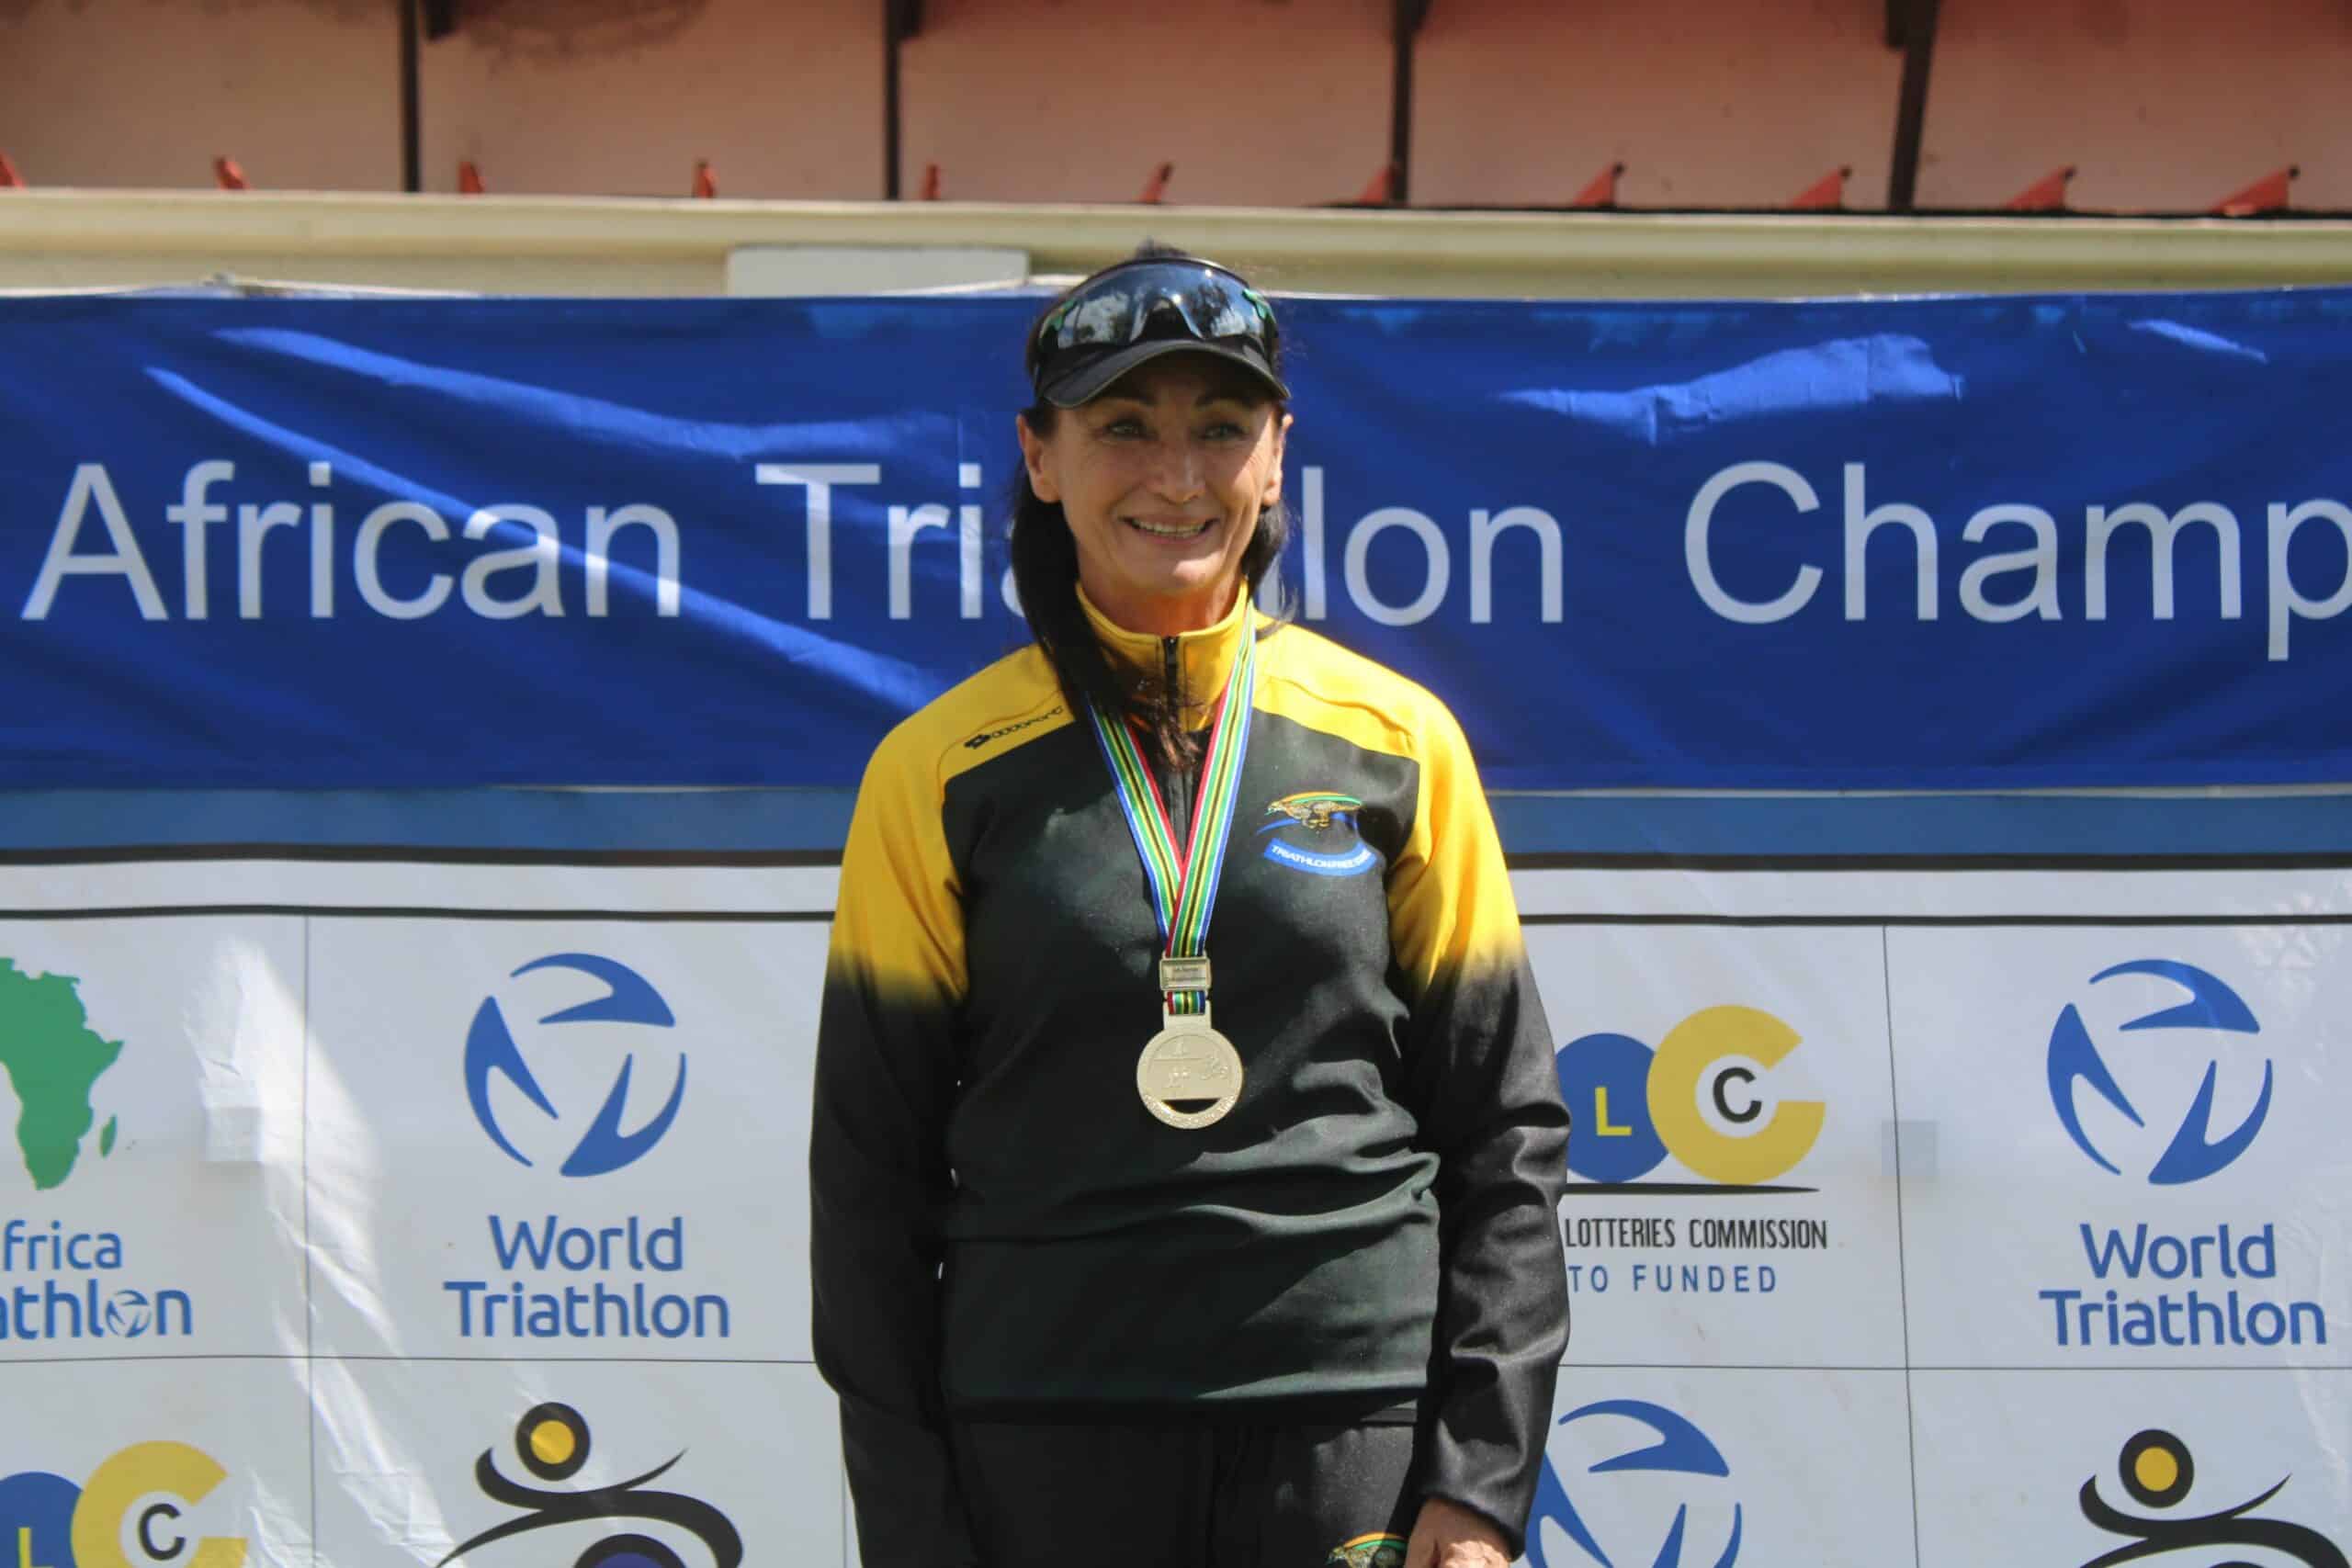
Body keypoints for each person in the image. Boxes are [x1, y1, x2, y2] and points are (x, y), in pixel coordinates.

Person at [810, 247, 1569, 1568]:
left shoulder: (1399, 744)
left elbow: (1505, 1136)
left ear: (1276, 457)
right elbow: (869, 1186)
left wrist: (1480, 1487)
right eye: (1123, 427)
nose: (1176, 476)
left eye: (1220, 428)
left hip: (1351, 1431)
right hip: (1041, 1440)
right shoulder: (935, 772)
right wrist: (914, 1536)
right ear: (1040, 458)